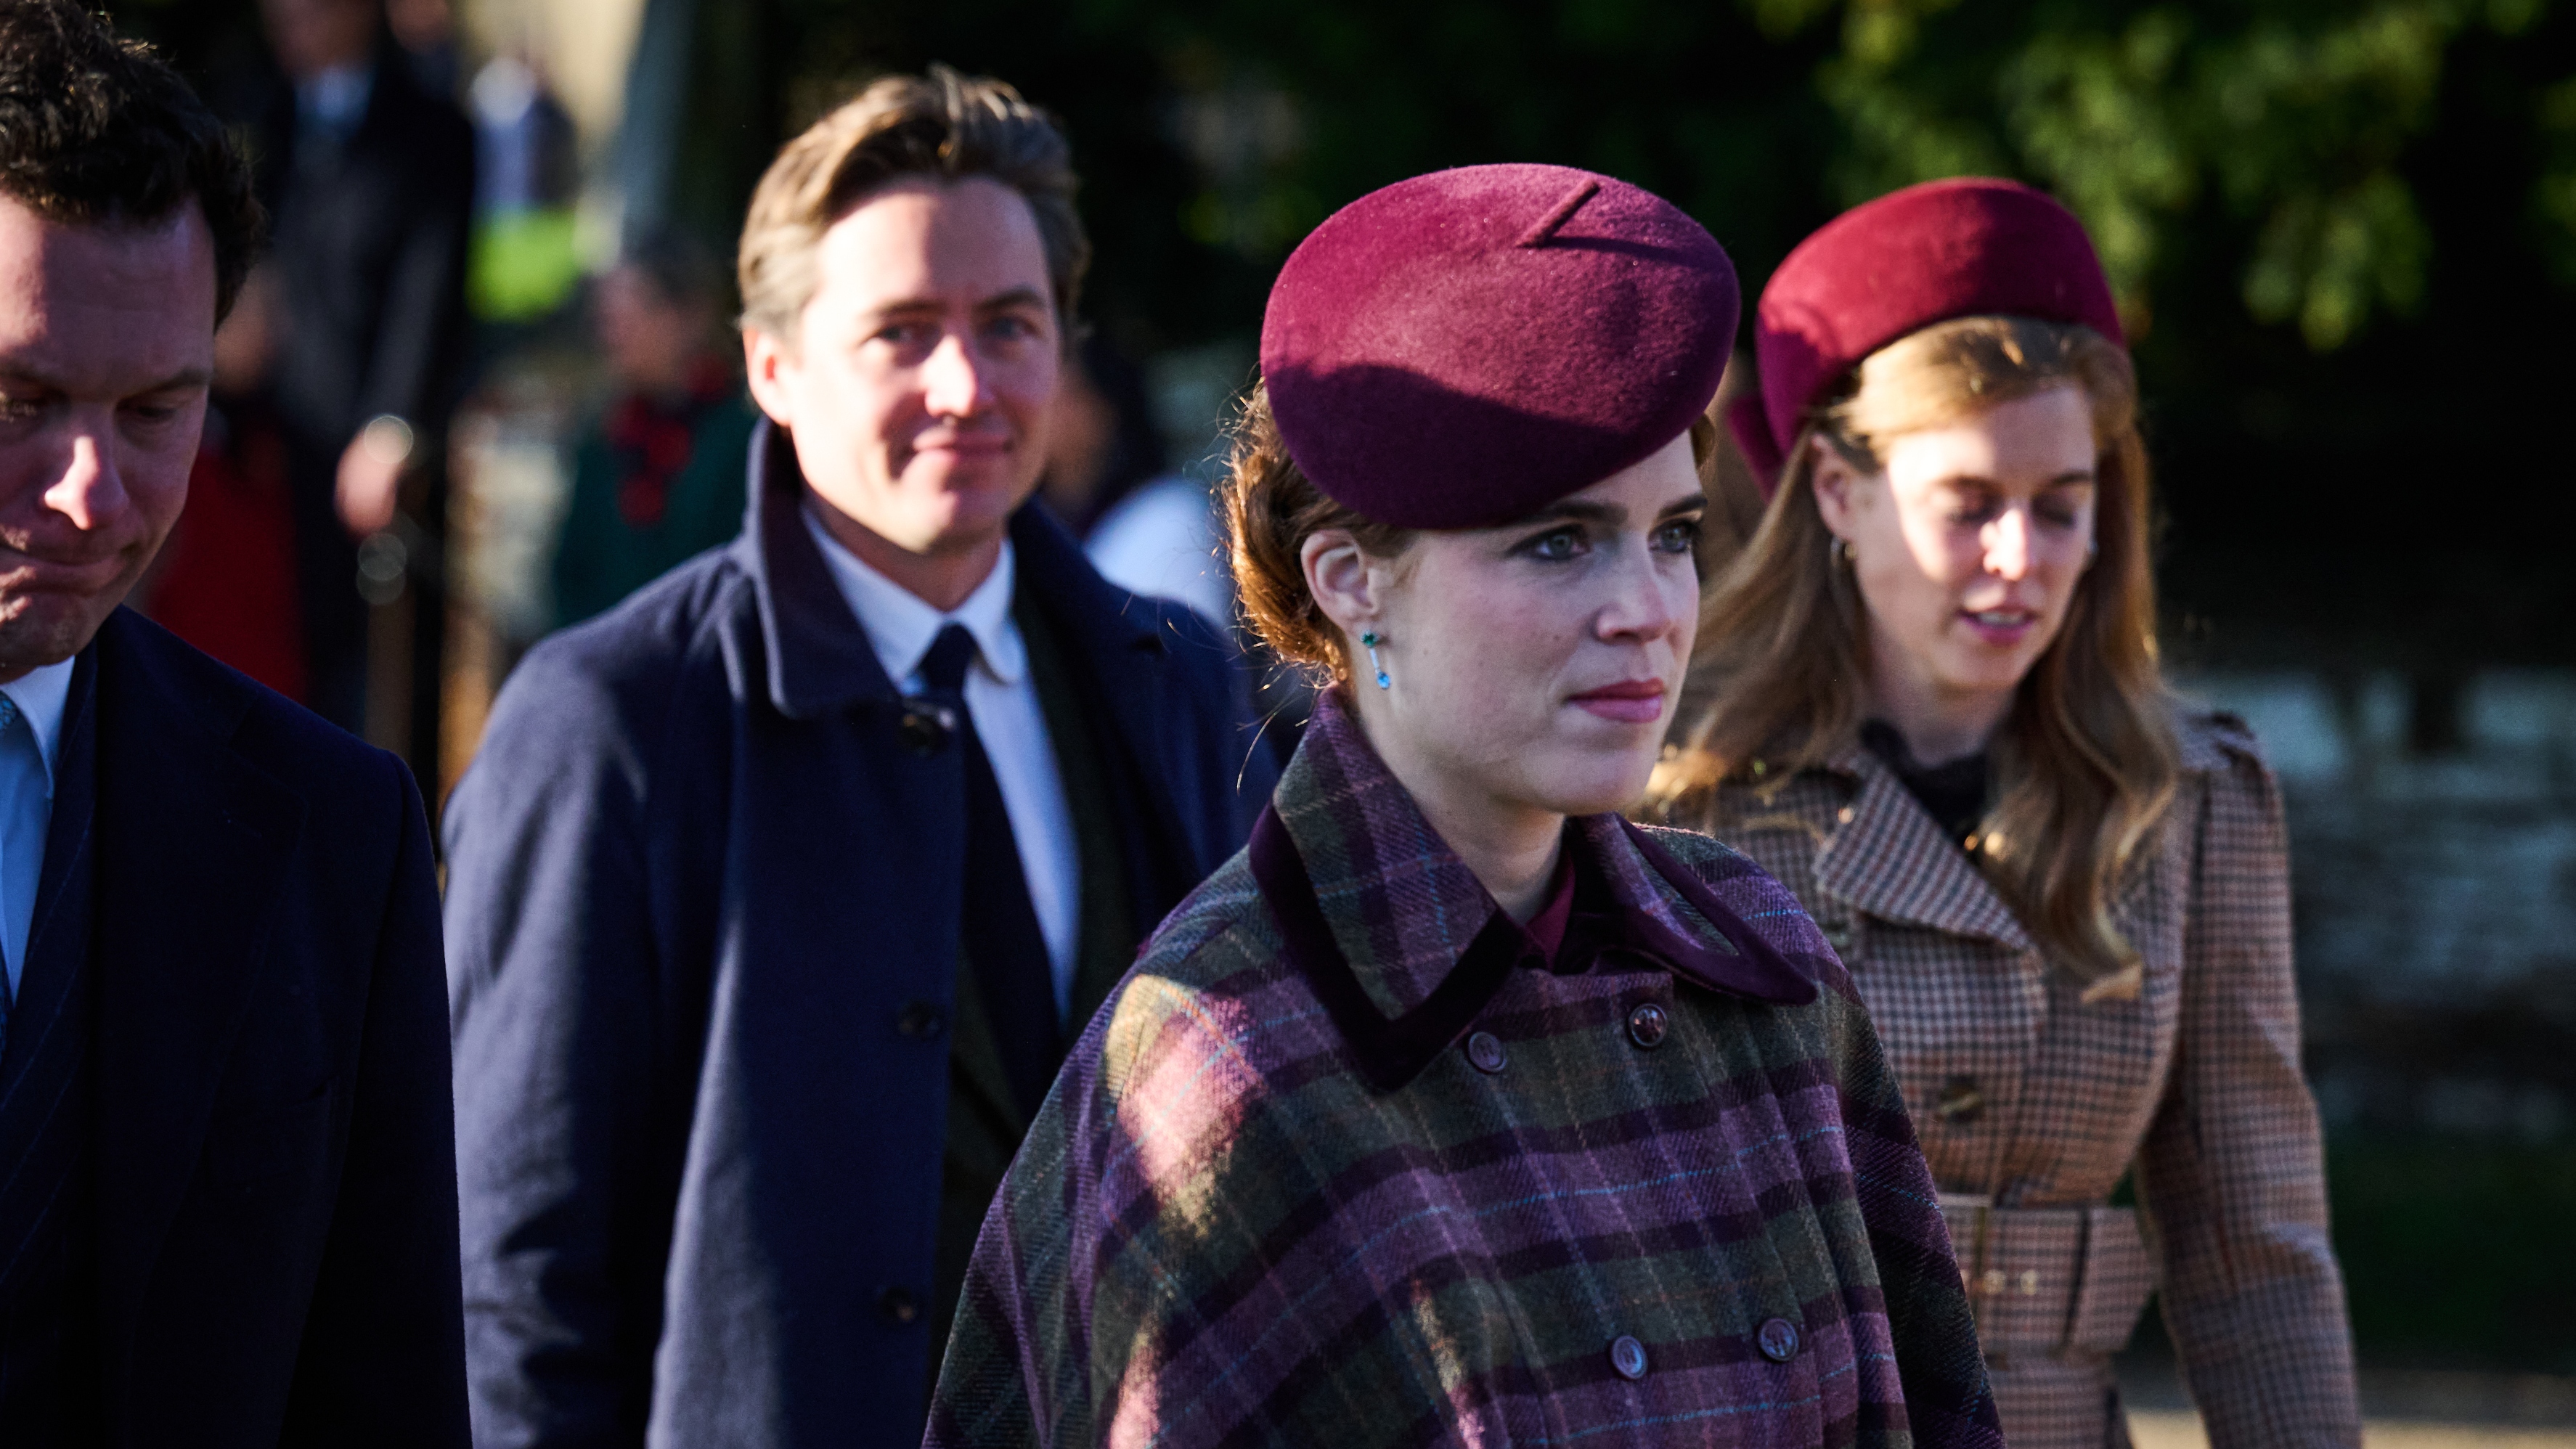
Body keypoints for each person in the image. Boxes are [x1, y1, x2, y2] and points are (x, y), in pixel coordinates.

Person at [929, 165, 2002, 1448]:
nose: (1648, 609)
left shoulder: (1769, 971)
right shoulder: (1223, 1063)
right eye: (1556, 541)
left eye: (1671, 533)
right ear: (1348, 579)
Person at [444, 69, 1273, 1447]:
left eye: (1009, 325)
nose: (965, 384)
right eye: (900, 331)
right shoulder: (607, 723)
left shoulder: (1169, 680)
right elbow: (512, 1279)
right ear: (770, 367)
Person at [1653, 177, 2362, 1446]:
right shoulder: (1681, 799)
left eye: (2061, 505)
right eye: (1968, 503)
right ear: (1833, 490)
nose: (2019, 560)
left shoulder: (2186, 797)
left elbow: (2250, 1250)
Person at [0, 4, 466, 1441]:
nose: (97, 492)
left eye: (157, 410)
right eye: (20, 399)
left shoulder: (333, 835)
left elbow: (382, 1382)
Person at [253, 0, 474, 778]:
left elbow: (432, 294)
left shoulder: (433, 129)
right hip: (276, 440)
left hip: (383, 448)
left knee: (386, 673)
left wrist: (392, 426)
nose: (290, 22)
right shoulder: (261, 118)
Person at [547, 234, 757, 628]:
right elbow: (569, 576)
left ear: (687, 317)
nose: (610, 337)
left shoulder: (741, 441)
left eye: (626, 318)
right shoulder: (605, 440)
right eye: (606, 321)